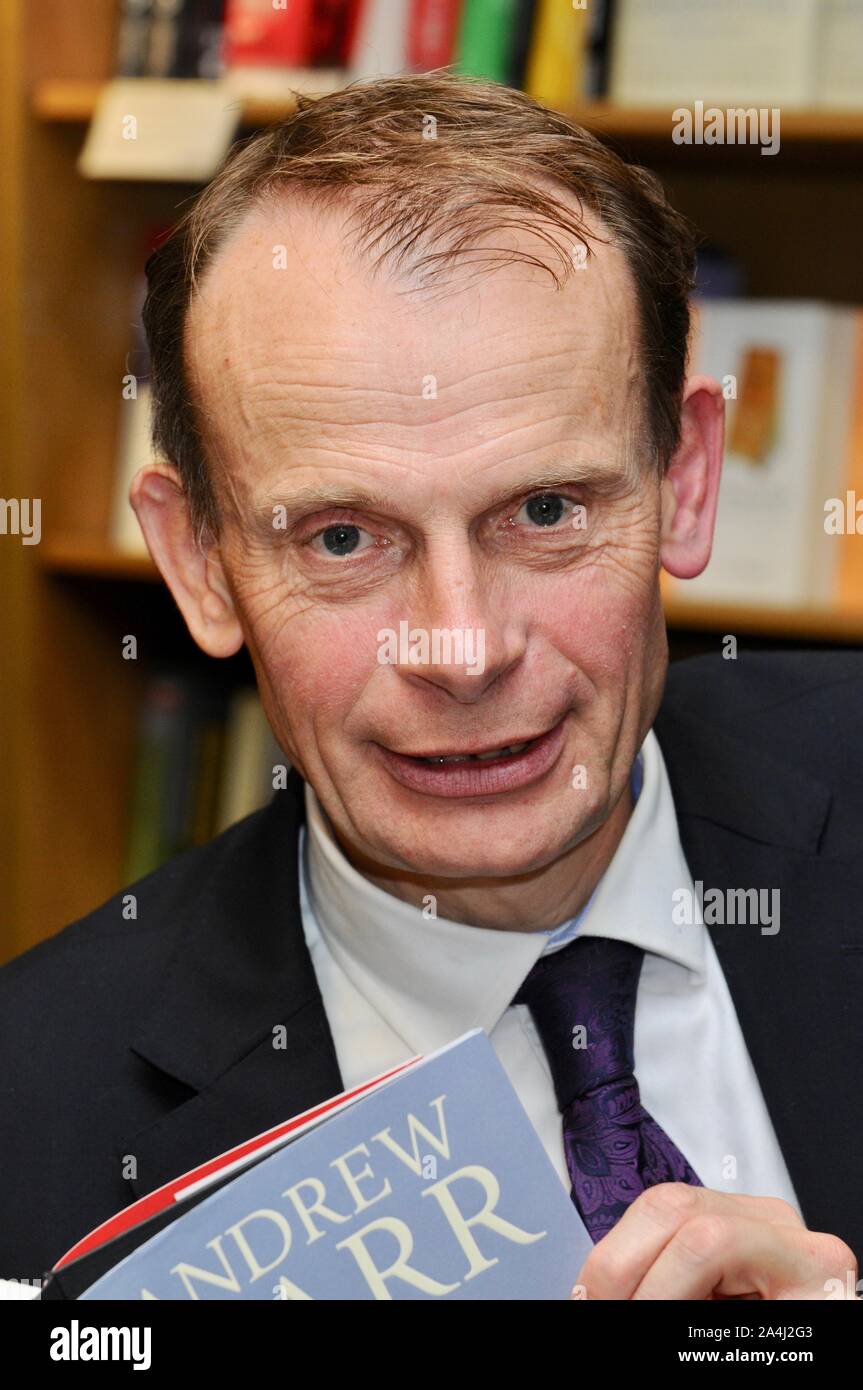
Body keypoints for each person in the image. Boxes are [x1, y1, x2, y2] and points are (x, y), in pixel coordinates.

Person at [2, 72, 860, 1299]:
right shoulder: (30, 1126)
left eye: (546, 510)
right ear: (198, 561)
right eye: (342, 539)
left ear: (683, 478)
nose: (461, 651)